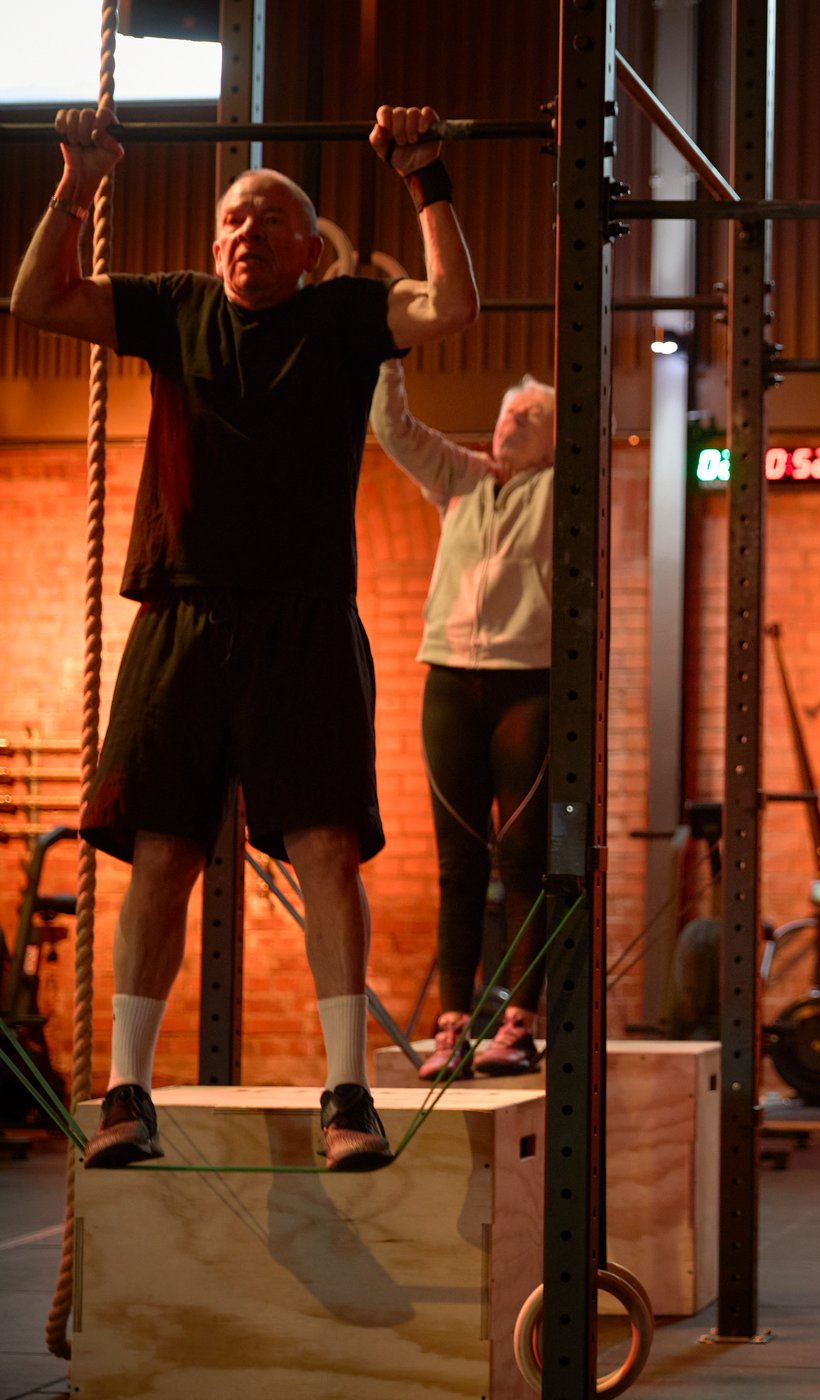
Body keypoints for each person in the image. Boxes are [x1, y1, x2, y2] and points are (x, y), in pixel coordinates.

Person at [9, 102, 480, 1171]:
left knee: (324, 848)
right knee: (161, 852)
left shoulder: (346, 317)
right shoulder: (173, 309)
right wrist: (77, 180)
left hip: (302, 621)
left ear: (308, 250)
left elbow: (454, 305)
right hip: (179, 614)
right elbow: (39, 297)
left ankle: (347, 1091)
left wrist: (425, 177)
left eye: (267, 221)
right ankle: (129, 1086)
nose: (243, 235)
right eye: (230, 219)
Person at [370, 357, 553, 1079]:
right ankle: (452, 1024)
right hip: (449, 674)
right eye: (507, 413)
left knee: (525, 861)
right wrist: (390, 350)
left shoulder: (561, 493)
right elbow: (393, 428)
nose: (508, 425)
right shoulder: (462, 480)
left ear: (552, 441)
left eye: (528, 419)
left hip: (527, 684)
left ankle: (519, 1023)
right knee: (459, 861)